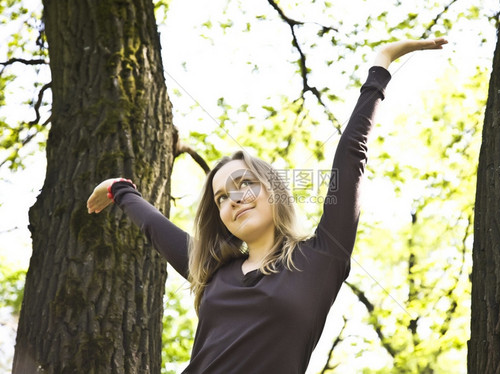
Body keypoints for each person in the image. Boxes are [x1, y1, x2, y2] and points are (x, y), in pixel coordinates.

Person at [87, 38, 448, 373]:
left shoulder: (320, 258)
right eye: (221, 198)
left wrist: (381, 64)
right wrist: (121, 191)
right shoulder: (213, 271)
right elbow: (157, 229)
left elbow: (351, 156)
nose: (233, 200)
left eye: (244, 184)